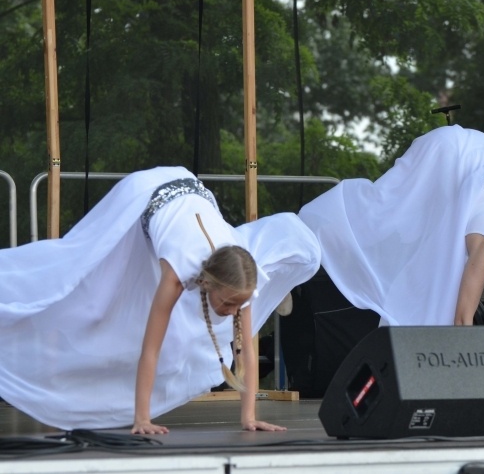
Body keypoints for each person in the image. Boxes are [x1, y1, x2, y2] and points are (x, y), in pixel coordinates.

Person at [0, 166, 321, 433]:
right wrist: (142, 418)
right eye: (226, 304)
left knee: (304, 256)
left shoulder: (240, 279)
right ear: (206, 284)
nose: (232, 312)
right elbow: (150, 348)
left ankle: (279, 286)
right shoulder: (176, 274)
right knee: (93, 290)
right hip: (146, 195)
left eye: (238, 305)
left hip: (195, 195)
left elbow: (247, 352)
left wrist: (248, 417)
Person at [298, 124, 484, 408]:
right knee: (388, 215)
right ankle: (316, 228)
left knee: (435, 282)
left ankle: (408, 374)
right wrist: (468, 382)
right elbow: (462, 319)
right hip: (449, 156)